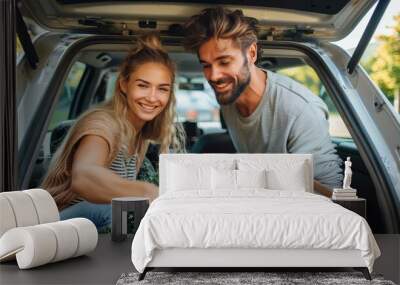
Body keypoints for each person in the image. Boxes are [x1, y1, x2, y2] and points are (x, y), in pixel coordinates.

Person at [183, 7, 342, 196]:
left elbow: (332, 195)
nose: (214, 76)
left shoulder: (300, 109)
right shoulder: (228, 99)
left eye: (224, 62)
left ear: (251, 53)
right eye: (206, 65)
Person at [42, 33, 185, 230]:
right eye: (143, 85)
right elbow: (84, 176)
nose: (152, 97)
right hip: (54, 225)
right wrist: (148, 191)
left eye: (162, 89)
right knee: (113, 210)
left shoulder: (139, 134)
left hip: (90, 229)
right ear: (124, 84)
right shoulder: (102, 123)